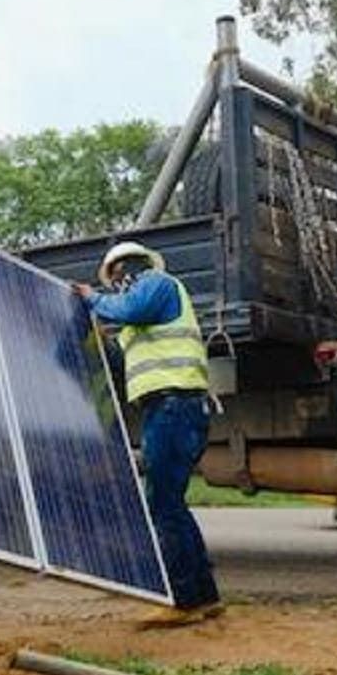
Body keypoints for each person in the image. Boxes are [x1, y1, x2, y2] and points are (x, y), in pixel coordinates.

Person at [75, 241, 222, 624]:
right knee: (171, 503)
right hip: (168, 409)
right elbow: (123, 355)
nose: (116, 287)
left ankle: (183, 601)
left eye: (115, 280)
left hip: (175, 407)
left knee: (162, 503)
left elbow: (129, 308)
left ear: (126, 270)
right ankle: (204, 596)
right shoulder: (137, 322)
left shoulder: (156, 283)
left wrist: (92, 299)